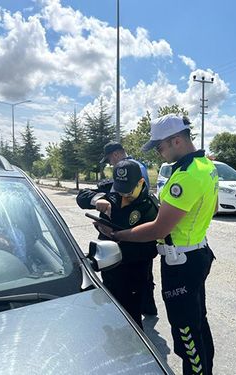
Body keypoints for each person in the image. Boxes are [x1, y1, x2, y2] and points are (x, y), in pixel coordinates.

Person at [95, 114, 218, 375]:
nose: (159, 153)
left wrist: (120, 235)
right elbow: (212, 207)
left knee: (186, 333)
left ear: (176, 141)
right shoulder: (206, 166)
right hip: (197, 251)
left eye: (160, 147)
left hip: (180, 262)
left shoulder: (186, 176)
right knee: (199, 324)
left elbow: (160, 228)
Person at [77, 159, 159, 328]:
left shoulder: (149, 205)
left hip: (134, 268)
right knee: (111, 308)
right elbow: (82, 196)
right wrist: (97, 200)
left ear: (141, 183)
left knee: (131, 316)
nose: (123, 195)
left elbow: (151, 247)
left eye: (128, 191)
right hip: (108, 264)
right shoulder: (111, 190)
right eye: (120, 189)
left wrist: (118, 237)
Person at [100, 140, 157, 316]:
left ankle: (144, 307)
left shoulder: (133, 170)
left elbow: (139, 203)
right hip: (129, 245)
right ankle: (147, 307)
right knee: (143, 278)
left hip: (135, 241)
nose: (110, 163)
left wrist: (118, 233)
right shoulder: (135, 167)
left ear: (116, 154)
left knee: (140, 278)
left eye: (110, 159)